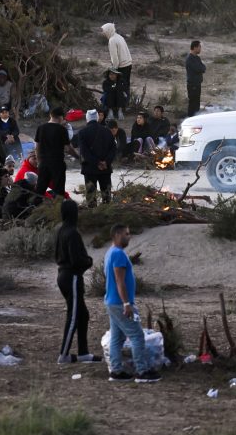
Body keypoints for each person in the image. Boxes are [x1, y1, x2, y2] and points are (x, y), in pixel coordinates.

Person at [104, 224, 160, 383]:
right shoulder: (119, 254)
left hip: (112, 302)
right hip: (120, 304)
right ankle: (142, 372)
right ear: (117, 235)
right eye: (126, 234)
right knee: (137, 336)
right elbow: (119, 281)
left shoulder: (110, 253)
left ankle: (116, 371)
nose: (129, 237)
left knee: (117, 337)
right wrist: (127, 303)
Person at [56, 199, 102, 364]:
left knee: (83, 315)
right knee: (74, 316)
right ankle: (64, 355)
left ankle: (83, 353)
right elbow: (77, 260)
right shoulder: (73, 233)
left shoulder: (62, 230)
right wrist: (89, 261)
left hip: (63, 275)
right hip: (72, 277)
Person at [78, 109, 117, 207]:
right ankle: (107, 214)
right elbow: (113, 150)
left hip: (90, 168)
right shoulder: (107, 131)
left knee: (91, 196)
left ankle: (92, 215)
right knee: (106, 195)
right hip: (105, 169)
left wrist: (97, 162)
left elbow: (84, 153)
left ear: (87, 119)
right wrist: (105, 162)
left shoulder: (83, 132)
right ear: (97, 118)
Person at [34, 107, 72, 198]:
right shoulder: (62, 129)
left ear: (50, 115)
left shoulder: (41, 128)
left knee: (40, 189)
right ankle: (57, 210)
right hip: (57, 164)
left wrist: (39, 162)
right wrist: (78, 156)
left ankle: (35, 208)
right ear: (61, 117)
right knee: (58, 191)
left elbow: (37, 147)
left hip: (44, 163)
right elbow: (68, 148)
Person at [100, 23, 132, 106]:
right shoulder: (119, 36)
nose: (103, 33)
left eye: (104, 31)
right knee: (126, 85)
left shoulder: (112, 40)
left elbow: (115, 58)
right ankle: (126, 104)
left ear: (108, 31)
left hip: (121, 66)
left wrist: (114, 70)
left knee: (119, 87)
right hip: (128, 64)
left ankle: (120, 105)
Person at [185, 40, 206, 117]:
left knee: (197, 104)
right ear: (195, 47)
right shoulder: (189, 59)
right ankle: (190, 119)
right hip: (192, 85)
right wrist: (201, 69)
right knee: (192, 104)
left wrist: (201, 68)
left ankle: (196, 118)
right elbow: (198, 69)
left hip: (197, 84)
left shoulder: (197, 58)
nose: (200, 49)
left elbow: (203, 67)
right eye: (199, 47)